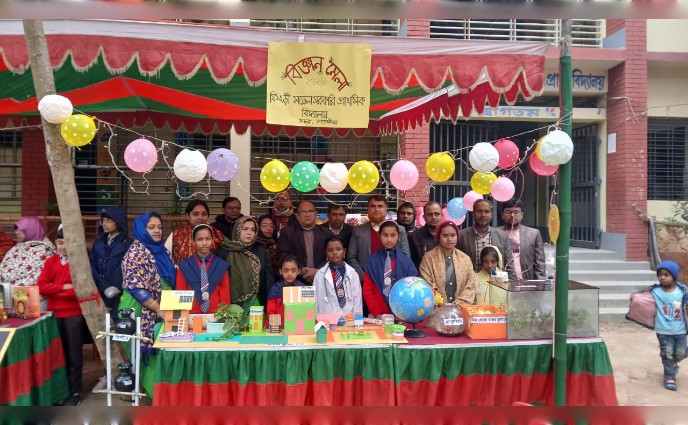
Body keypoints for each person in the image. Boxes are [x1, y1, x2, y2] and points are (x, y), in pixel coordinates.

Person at [120, 212, 176, 396]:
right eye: (151, 227)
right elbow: (136, 287)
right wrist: (159, 309)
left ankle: (162, 392)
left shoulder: (162, 251)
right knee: (144, 352)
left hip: (163, 306)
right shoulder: (135, 252)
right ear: (141, 229)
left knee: (163, 349)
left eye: (159, 227)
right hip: (140, 307)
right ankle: (153, 393)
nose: (157, 230)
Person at [37, 224, 87, 406]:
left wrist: (54, 290)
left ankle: (75, 393)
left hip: (74, 315)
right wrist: (64, 286)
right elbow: (41, 286)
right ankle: (61, 392)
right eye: (60, 242)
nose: (63, 247)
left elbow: (79, 291)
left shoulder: (80, 263)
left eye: (67, 243)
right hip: (54, 314)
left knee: (74, 356)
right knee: (58, 355)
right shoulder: (51, 262)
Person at [347, 195, 411, 283]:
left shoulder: (399, 230)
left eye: (380, 206)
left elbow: (405, 256)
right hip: (366, 283)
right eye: (373, 206)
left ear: (386, 208)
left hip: (393, 281)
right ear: (368, 208)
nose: (376, 209)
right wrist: (364, 277)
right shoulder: (358, 231)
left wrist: (394, 278)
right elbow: (351, 258)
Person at [362, 220, 417, 317]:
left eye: (393, 235)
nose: (388, 239)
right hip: (377, 314)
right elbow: (368, 291)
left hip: (402, 313)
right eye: (385, 235)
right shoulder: (372, 262)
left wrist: (403, 311)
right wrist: (377, 312)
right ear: (379, 236)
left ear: (398, 237)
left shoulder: (406, 261)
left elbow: (412, 289)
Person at [215, 216, 261, 329]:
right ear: (237, 230)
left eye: (252, 230)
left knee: (254, 333)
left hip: (254, 304)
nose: (249, 233)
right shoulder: (223, 252)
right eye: (245, 229)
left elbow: (267, 279)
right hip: (230, 304)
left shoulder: (260, 251)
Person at [89, 206, 133, 322]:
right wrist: (104, 286)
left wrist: (116, 287)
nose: (104, 224)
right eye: (103, 220)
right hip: (98, 291)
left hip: (118, 293)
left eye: (109, 221)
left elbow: (127, 269)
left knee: (117, 324)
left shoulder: (128, 244)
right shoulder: (98, 242)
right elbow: (91, 266)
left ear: (118, 222)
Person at [175, 224, 231, 314]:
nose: (204, 243)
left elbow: (225, 295)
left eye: (208, 239)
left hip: (216, 315)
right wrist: (184, 316)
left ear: (212, 240)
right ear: (193, 241)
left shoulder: (220, 265)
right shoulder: (185, 266)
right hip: (191, 315)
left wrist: (223, 316)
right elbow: (181, 293)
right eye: (200, 239)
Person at [650, 260, 688, 391]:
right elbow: (643, 299)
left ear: (674, 276)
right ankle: (669, 376)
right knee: (667, 354)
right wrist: (635, 298)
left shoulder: (683, 291)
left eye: (666, 275)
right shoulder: (654, 291)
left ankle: (673, 363)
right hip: (663, 330)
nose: (662, 277)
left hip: (680, 329)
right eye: (660, 274)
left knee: (681, 353)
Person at [419, 220, 476, 306]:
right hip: (436, 309)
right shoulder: (429, 258)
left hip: (459, 309)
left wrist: (457, 304)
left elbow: (471, 284)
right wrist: (439, 303)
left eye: (453, 235)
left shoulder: (465, 259)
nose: (449, 239)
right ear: (438, 237)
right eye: (445, 235)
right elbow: (426, 283)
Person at [457, 199, 516, 280]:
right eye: (479, 211)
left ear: (491, 214)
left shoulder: (502, 236)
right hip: (471, 285)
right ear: (473, 213)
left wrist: (511, 284)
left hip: (497, 284)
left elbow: (509, 265)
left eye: (487, 211)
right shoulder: (462, 236)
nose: (483, 215)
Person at [277, 201, 333, 284]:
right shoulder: (287, 233)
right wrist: (301, 271)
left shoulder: (326, 233)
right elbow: (282, 256)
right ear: (297, 216)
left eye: (310, 211)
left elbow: (332, 256)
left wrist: (317, 271)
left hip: (322, 279)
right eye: (303, 212)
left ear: (316, 213)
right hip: (295, 280)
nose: (307, 215)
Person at [0, 216, 55, 288]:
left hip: (25, 292)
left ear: (32, 229)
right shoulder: (17, 247)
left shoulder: (45, 251)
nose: (17, 232)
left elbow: (36, 278)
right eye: (16, 229)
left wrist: (11, 288)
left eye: (21, 229)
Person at [314, 235, 362, 317]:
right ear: (325, 253)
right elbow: (315, 301)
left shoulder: (353, 274)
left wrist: (357, 321)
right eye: (330, 250)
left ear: (344, 251)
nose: (334, 253)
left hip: (349, 319)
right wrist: (316, 320)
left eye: (338, 249)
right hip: (326, 320)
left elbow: (358, 303)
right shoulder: (320, 274)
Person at [164, 200, 224, 265]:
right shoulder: (177, 234)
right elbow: (165, 258)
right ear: (187, 216)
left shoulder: (216, 234)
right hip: (181, 271)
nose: (200, 217)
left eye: (204, 214)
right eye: (195, 214)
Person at [498, 199, 546, 281]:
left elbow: (540, 263)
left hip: (526, 281)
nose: (512, 215)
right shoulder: (496, 233)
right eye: (508, 212)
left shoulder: (533, 234)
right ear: (502, 215)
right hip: (502, 282)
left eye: (516, 212)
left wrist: (540, 283)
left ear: (522, 215)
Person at [266, 255, 306, 322]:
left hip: (298, 325)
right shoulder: (275, 290)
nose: (289, 274)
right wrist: (276, 325)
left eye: (293, 270)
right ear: (280, 271)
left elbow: (306, 310)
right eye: (286, 270)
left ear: (298, 271)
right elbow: (271, 312)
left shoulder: (303, 289)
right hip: (279, 326)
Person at [409, 201, 443, 268]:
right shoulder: (414, 237)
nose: (433, 217)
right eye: (429, 214)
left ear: (442, 216)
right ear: (424, 217)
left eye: (437, 214)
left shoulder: (448, 236)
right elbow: (411, 263)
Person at [253, 216, 277, 306]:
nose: (268, 229)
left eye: (271, 226)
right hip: (259, 289)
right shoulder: (253, 245)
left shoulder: (273, 244)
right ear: (258, 227)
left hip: (273, 287)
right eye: (264, 225)